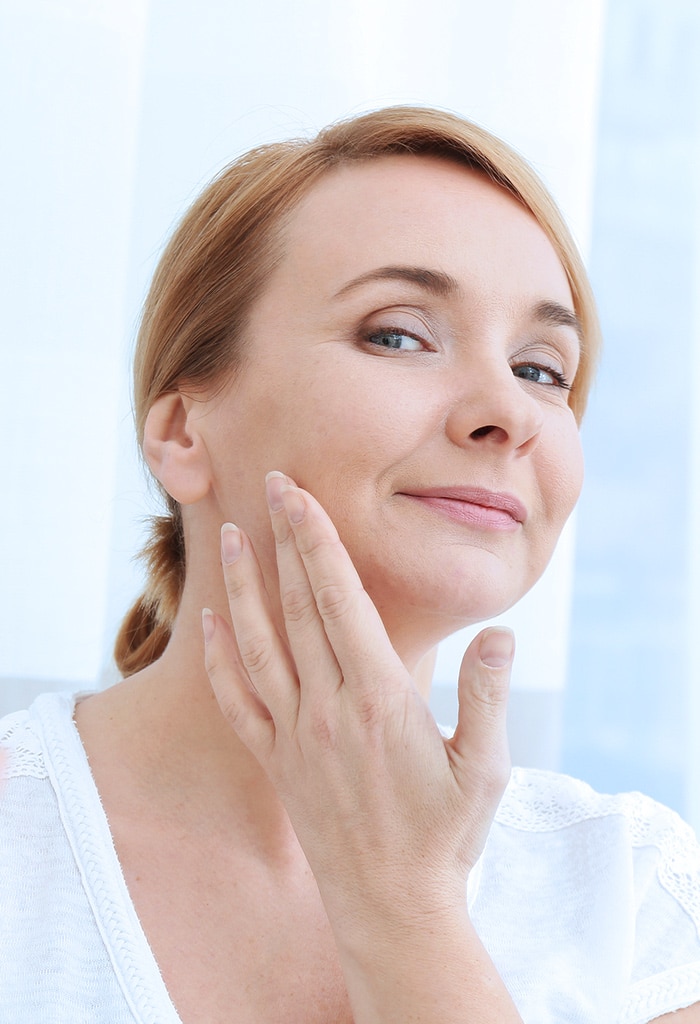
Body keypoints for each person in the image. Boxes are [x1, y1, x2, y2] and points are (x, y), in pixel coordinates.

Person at [1, 105, 699, 1024]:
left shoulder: (635, 894)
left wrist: (401, 903)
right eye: (397, 334)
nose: (510, 412)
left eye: (541, 369)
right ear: (181, 431)